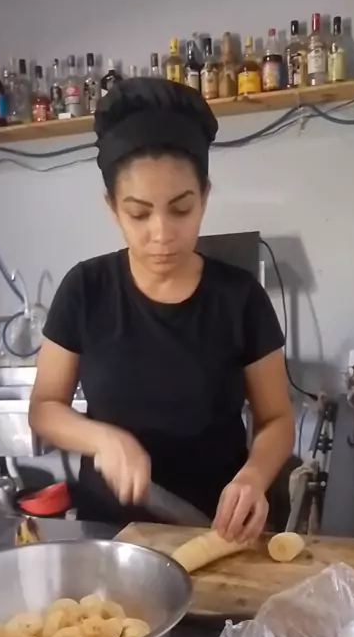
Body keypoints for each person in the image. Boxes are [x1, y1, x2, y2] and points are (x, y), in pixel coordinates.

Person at [29, 77, 295, 541]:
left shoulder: (240, 298)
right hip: (110, 533)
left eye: (181, 209)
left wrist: (254, 476)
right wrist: (102, 438)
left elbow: (277, 420)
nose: (162, 233)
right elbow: (44, 408)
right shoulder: (85, 289)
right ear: (112, 208)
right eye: (138, 213)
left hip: (216, 531)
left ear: (204, 197)